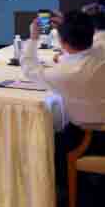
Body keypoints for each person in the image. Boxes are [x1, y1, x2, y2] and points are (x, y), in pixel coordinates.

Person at [22, 11, 105, 187]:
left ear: (62, 42)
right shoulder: (102, 47)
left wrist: (33, 38)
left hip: (90, 136)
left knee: (48, 138)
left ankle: (67, 189)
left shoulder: (64, 74)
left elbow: (29, 69)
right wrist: (69, 25)